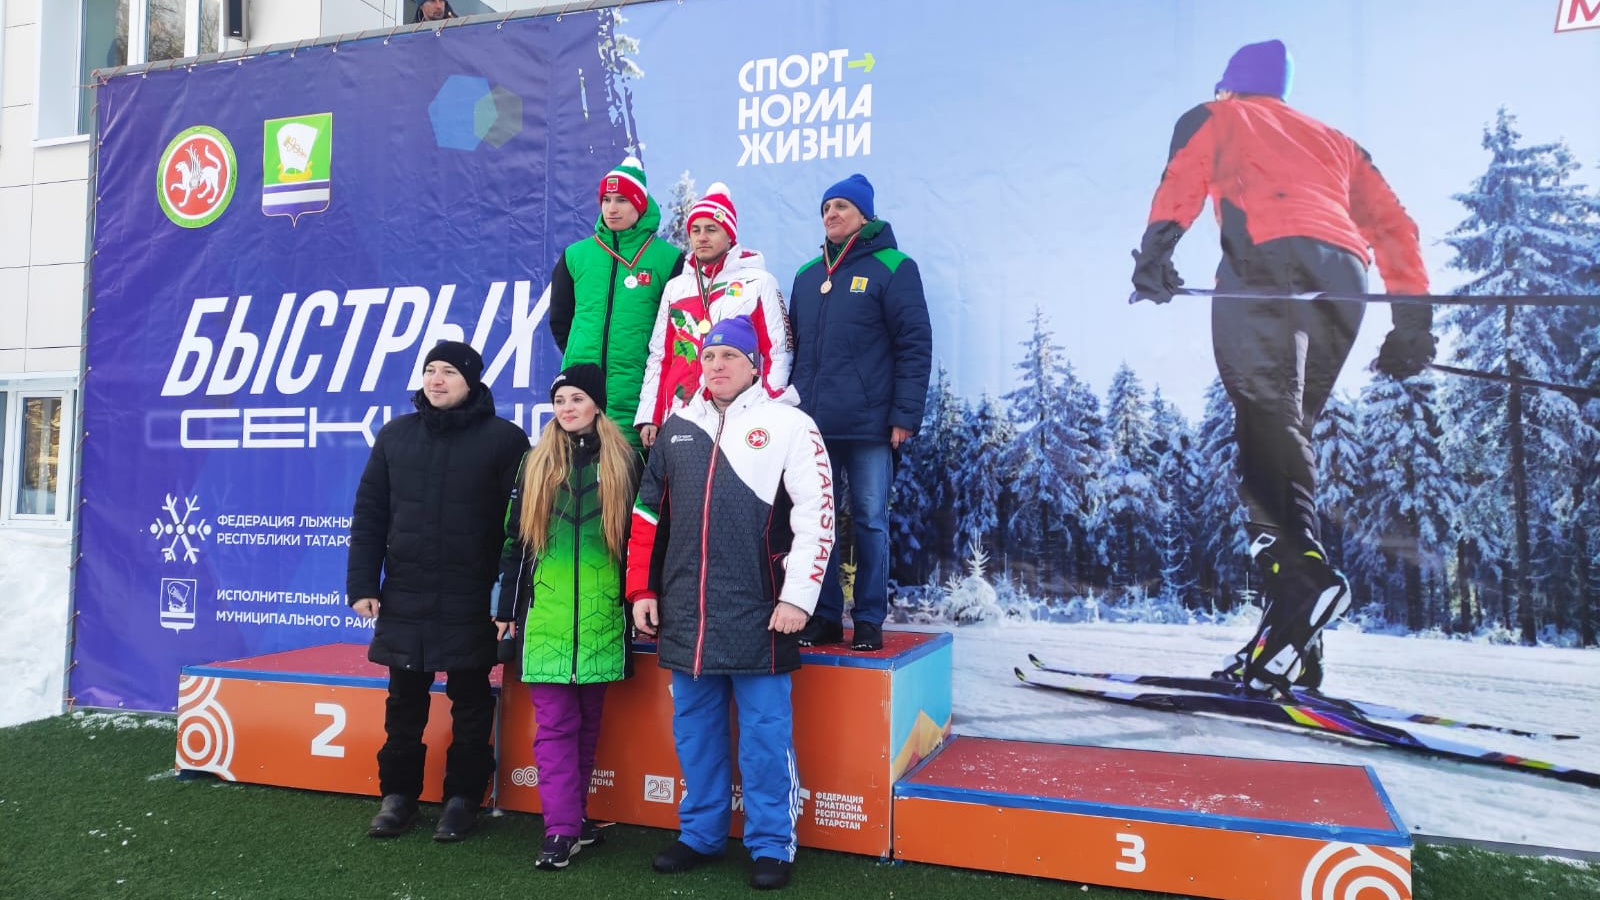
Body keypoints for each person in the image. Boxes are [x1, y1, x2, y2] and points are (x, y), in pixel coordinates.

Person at [1129, 39, 1436, 696]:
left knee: (1265, 430)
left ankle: (1304, 587)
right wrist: (1412, 322)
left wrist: (1155, 256)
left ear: (1231, 84)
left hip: (1267, 266)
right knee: (1280, 437)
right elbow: (1394, 225)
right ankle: (1294, 647)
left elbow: (1183, 176)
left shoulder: (1219, 115)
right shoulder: (1337, 141)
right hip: (1344, 280)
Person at [625, 316, 834, 891]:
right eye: (708, 355)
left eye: (729, 357)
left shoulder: (790, 424)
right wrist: (641, 590)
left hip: (761, 610)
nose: (715, 365)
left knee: (766, 734)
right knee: (695, 730)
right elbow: (647, 517)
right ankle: (701, 834)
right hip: (686, 612)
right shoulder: (677, 427)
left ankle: (772, 843)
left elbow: (816, 519)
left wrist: (797, 598)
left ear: (754, 365)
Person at [347, 340, 530, 841]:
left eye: (449, 371)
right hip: (407, 592)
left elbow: (522, 528)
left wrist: (508, 598)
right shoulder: (394, 436)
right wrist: (363, 583)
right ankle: (398, 797)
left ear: (471, 380)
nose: (437, 379)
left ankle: (462, 800)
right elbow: (370, 515)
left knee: (471, 700)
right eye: (431, 370)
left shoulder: (505, 440)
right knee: (404, 700)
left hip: (473, 596)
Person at [495, 363, 638, 870]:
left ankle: (574, 821)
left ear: (597, 404)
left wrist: (640, 599)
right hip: (546, 621)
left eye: (577, 399)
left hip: (603, 620)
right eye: (560, 401)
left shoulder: (626, 462)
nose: (567, 408)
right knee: (554, 728)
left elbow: (642, 543)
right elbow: (514, 544)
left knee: (587, 726)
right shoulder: (534, 463)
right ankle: (559, 830)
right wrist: (505, 611)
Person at [788, 174, 933, 653]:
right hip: (814, 427)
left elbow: (914, 345)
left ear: (865, 216)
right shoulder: (809, 276)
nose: (831, 214)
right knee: (819, 523)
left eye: (842, 207)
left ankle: (869, 618)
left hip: (871, 426)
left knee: (870, 520)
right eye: (826, 207)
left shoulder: (894, 266)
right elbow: (796, 353)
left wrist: (904, 415)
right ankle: (826, 615)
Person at [635, 182, 792, 449]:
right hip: (680, 412)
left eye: (711, 229)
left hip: (738, 414)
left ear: (730, 235)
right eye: (695, 230)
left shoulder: (758, 282)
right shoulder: (676, 287)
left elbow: (778, 352)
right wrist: (650, 414)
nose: (702, 237)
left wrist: (769, 410)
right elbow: (660, 356)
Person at [548, 156, 686, 454]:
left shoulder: (668, 259)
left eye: (622, 200)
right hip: (580, 391)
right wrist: (580, 354)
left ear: (639, 204)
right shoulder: (576, 255)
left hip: (637, 389)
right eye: (606, 200)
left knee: (626, 481)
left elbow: (678, 331)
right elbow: (560, 320)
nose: (612, 208)